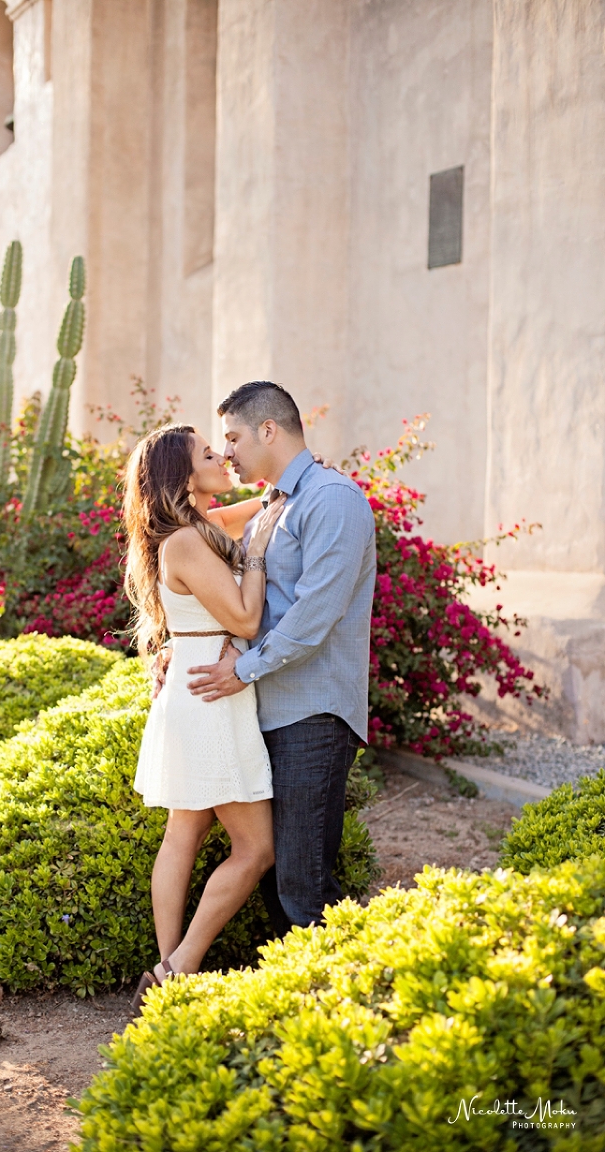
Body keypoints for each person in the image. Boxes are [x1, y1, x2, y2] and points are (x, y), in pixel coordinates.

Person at [187, 381, 376, 937]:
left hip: (312, 717)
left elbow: (314, 616)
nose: (227, 453)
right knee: (278, 879)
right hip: (268, 711)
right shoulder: (275, 505)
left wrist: (239, 670)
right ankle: (291, 1008)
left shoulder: (332, 500)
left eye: (234, 437)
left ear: (269, 430)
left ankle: (332, 1010)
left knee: (304, 883)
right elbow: (241, 590)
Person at [122, 423, 285, 1010]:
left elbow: (271, 500)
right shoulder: (189, 542)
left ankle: (166, 973)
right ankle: (180, 965)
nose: (225, 457)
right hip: (211, 695)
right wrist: (261, 558)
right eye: (211, 453)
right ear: (185, 476)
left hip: (196, 684)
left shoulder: (201, 528)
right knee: (255, 849)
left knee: (184, 834)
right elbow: (243, 619)